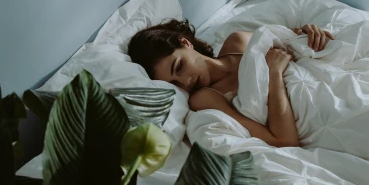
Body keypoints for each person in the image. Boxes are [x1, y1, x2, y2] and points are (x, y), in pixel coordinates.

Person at [128, 19, 334, 148]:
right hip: (320, 119)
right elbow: (284, 141)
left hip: (329, 84)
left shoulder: (238, 42)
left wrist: (308, 32)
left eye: (179, 66)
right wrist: (273, 74)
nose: (185, 83)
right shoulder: (205, 98)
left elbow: (289, 40)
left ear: (186, 43)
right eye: (174, 83)